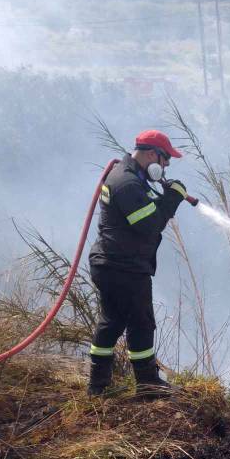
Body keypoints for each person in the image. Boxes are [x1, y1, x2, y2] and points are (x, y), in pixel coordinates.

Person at [87, 130, 189, 396]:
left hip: (113, 263)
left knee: (113, 320)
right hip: (123, 267)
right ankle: (147, 384)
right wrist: (171, 199)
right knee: (141, 322)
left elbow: (141, 211)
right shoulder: (127, 183)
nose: (166, 165)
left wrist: (164, 197)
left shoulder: (131, 177)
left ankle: (98, 387)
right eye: (166, 159)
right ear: (152, 154)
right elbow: (149, 225)